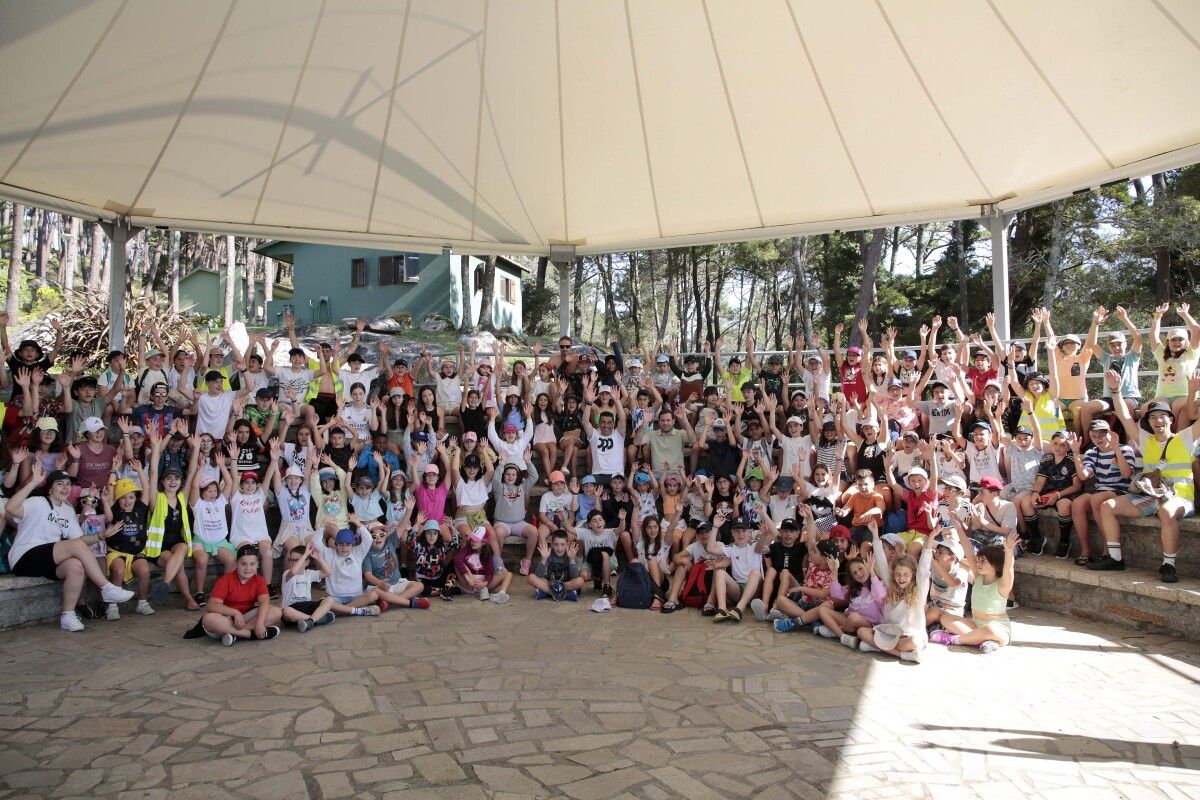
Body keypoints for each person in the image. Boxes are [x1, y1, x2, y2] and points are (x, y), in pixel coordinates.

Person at [1092, 378, 1199, 583]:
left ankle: (1168, 565)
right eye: (1153, 417)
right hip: (1151, 495)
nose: (1158, 420)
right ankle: (1115, 559)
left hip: (1179, 497)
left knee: (1166, 511)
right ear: (1148, 422)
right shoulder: (1145, 440)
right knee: (1107, 506)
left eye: (1162, 416)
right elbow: (1124, 417)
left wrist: (1193, 391)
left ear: (1171, 419)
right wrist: (1115, 390)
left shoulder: (1185, 437)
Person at [855, 518, 936, 662]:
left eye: (906, 574)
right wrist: (875, 534)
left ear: (912, 575)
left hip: (909, 637)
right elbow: (880, 560)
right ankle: (899, 654)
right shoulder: (891, 584)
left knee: (916, 643)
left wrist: (929, 542)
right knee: (861, 631)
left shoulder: (919, 590)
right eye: (898, 574)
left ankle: (877, 647)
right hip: (889, 632)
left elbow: (924, 569)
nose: (901, 578)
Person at [931, 531, 1018, 654]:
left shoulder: (1003, 585)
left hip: (999, 629)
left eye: (983, 561)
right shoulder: (978, 577)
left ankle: (954, 639)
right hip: (975, 625)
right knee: (945, 618)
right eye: (978, 560)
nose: (978, 563)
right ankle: (983, 641)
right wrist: (958, 526)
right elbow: (968, 549)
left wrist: (1009, 551)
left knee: (990, 629)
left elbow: (1008, 569)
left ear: (995, 565)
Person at [1067, 423, 1134, 564]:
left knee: (1097, 499)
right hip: (1100, 490)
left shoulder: (1125, 449)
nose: (1098, 439)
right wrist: (1076, 453)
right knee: (1077, 503)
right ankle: (1086, 551)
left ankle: (1107, 549)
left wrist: (1116, 449)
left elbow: (1127, 474)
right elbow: (1084, 476)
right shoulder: (1092, 452)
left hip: (1120, 491)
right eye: (1094, 436)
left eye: (1101, 435)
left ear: (1110, 433)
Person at [198, 545, 283, 645]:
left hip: (248, 618)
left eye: (252, 564)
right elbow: (212, 605)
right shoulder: (225, 580)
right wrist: (235, 613)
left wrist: (259, 624)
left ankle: (235, 633)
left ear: (257, 565)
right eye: (243, 564)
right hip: (227, 618)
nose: (248, 568)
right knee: (208, 619)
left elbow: (264, 602)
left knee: (276, 612)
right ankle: (250, 634)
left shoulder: (259, 580)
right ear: (236, 563)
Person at [279, 543, 337, 632]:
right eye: (291, 560)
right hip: (292, 610)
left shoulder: (309, 573)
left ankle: (310, 622)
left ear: (306, 562)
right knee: (286, 611)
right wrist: (306, 554)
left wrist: (319, 559)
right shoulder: (287, 574)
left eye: (297, 560)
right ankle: (316, 620)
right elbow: (293, 572)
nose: (293, 562)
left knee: (330, 599)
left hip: (307, 605)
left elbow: (328, 572)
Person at [454, 525, 512, 603]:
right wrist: (467, 577)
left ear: (484, 542)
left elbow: (489, 572)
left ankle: (501, 594)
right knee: (458, 563)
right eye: (472, 539)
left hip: (482, 586)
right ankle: (473, 588)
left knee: (509, 574)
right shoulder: (468, 548)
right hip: (469, 583)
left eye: (475, 540)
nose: (472, 542)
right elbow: (457, 560)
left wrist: (484, 584)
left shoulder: (488, 553)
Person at [528, 530, 585, 601]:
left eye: (562, 544)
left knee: (580, 581)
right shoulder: (547, 554)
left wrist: (571, 559)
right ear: (551, 544)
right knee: (531, 577)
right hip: (549, 583)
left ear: (567, 544)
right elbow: (539, 576)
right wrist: (544, 559)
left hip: (566, 583)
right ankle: (566, 595)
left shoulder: (571, 554)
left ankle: (547, 593)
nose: (559, 548)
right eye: (556, 544)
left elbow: (575, 576)